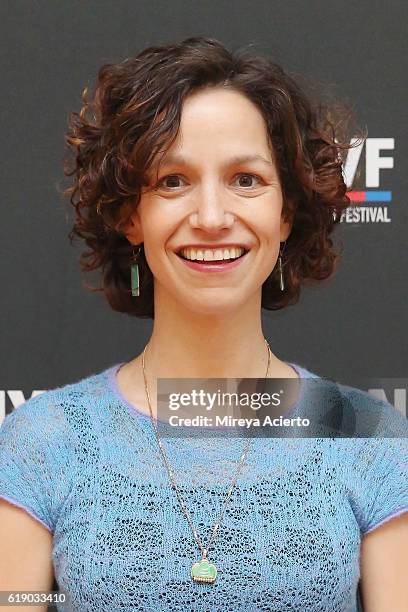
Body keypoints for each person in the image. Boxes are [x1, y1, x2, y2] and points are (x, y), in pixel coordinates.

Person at [0, 36, 407, 612]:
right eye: (173, 181)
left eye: (246, 179)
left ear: (286, 212)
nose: (212, 218)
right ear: (129, 215)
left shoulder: (368, 438)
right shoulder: (41, 445)